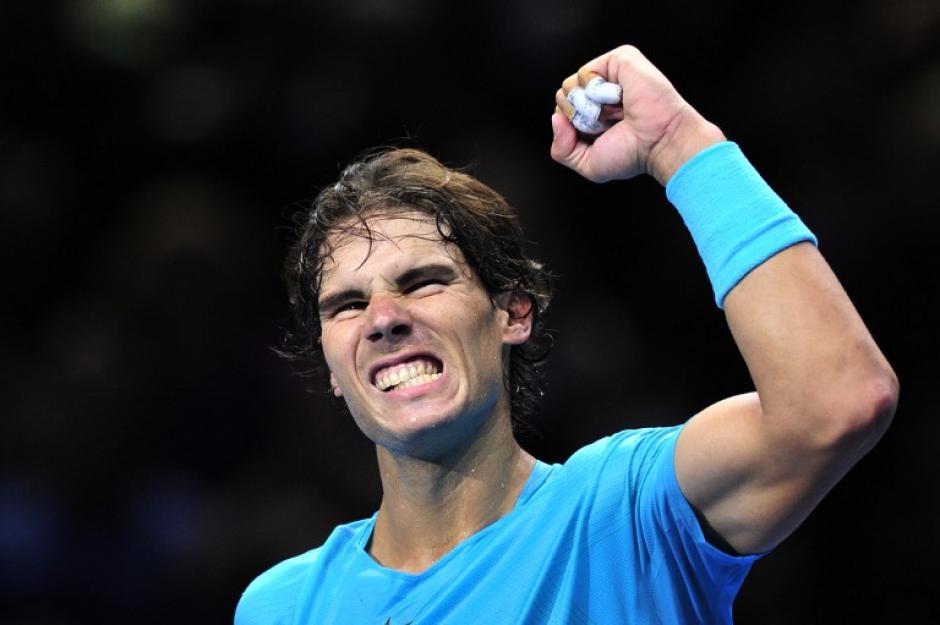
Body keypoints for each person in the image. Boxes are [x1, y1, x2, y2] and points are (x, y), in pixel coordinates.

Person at [235, 45, 898, 624]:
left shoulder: (627, 513)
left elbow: (837, 400)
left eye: (424, 281)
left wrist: (678, 144)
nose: (384, 317)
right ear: (329, 361)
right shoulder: (281, 606)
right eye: (347, 304)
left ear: (513, 312)